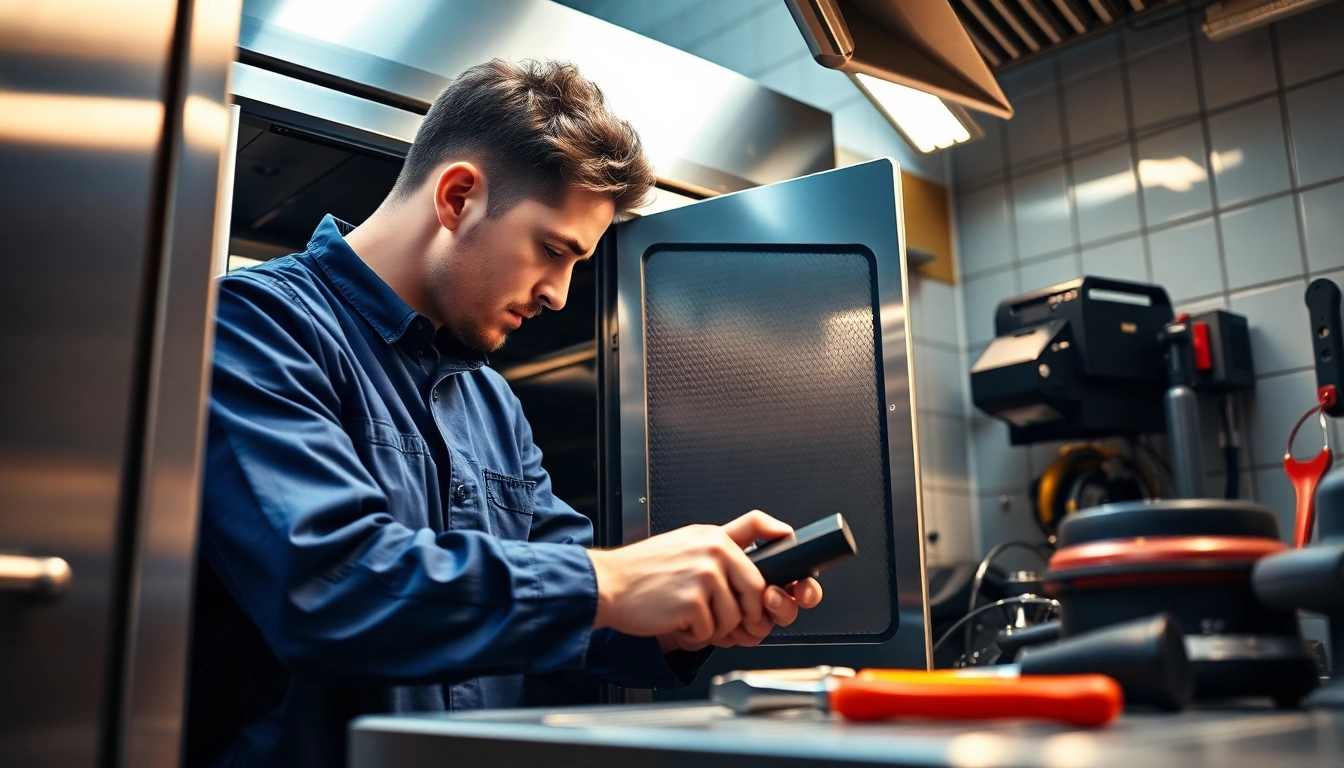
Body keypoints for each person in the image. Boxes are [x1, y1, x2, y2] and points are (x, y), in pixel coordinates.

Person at [185, 58, 823, 768]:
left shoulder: (489, 400)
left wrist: (691, 610)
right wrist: (614, 581)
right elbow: (330, 586)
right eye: (553, 250)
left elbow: (574, 602)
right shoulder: (253, 327)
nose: (558, 293)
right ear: (458, 196)